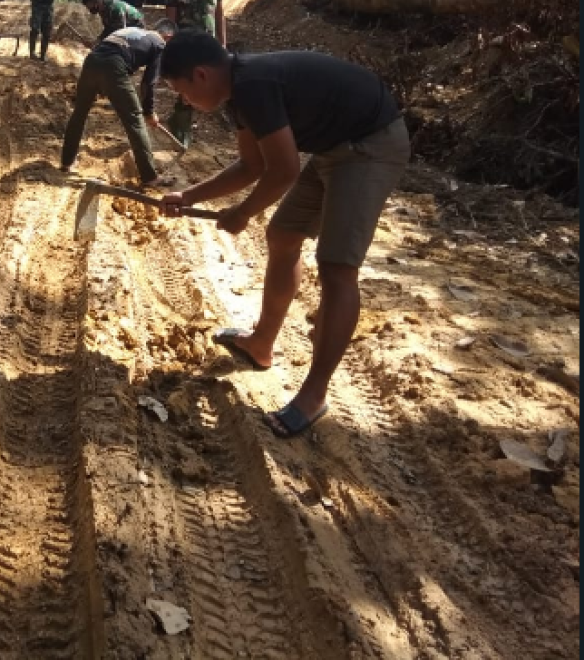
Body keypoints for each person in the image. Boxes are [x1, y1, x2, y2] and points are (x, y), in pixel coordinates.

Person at [156, 32, 410, 439]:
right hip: (335, 148)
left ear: (200, 75)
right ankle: (261, 344)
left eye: (180, 91)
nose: (183, 101)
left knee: (337, 268)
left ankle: (313, 396)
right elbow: (251, 166)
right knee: (283, 235)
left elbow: (284, 171)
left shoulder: (254, 85)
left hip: (370, 146)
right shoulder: (240, 91)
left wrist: (241, 213)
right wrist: (188, 196)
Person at [59, 25, 173, 186]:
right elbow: (148, 83)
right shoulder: (159, 44)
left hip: (91, 60)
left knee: (79, 113)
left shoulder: (135, 32)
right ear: (168, 36)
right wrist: (149, 112)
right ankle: (150, 177)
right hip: (114, 65)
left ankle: (66, 162)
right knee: (135, 121)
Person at [164, 0, 226, 148]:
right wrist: (171, 47)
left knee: (212, 82)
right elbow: (170, 23)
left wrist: (222, 43)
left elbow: (219, 15)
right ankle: (181, 125)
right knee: (187, 85)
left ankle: (221, 118)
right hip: (186, 46)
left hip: (208, 45)